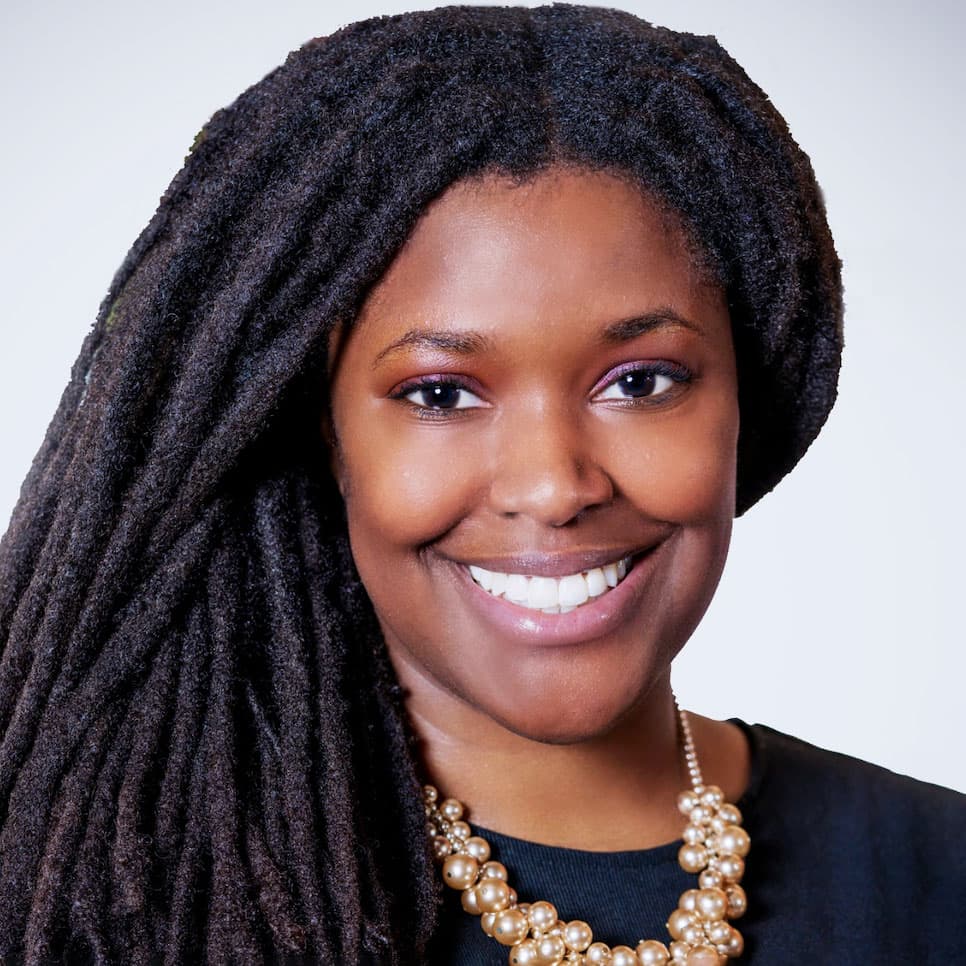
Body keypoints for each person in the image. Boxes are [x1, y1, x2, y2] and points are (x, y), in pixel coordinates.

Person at [0, 4, 962, 964]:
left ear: (743, 397)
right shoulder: (132, 904)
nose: (553, 487)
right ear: (324, 431)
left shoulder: (940, 872)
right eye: (441, 393)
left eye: (640, 382)